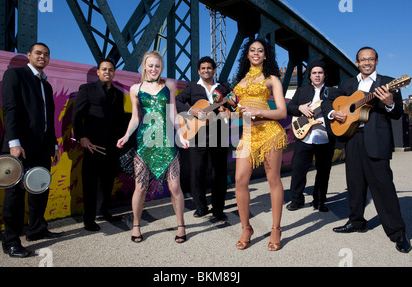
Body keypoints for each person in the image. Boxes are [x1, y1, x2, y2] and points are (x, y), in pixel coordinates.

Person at [330, 47, 412, 253]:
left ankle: (398, 232)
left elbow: (397, 114)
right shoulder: (348, 84)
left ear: (377, 61)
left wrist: (390, 103)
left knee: (383, 186)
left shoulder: (389, 82)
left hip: (377, 138)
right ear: (357, 62)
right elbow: (332, 103)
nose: (367, 63)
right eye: (362, 60)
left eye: (371, 59)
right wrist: (333, 113)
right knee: (355, 184)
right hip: (352, 138)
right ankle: (356, 221)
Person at [116, 51, 189, 243]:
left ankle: (181, 226)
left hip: (166, 143)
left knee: (175, 187)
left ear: (161, 67)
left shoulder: (169, 85)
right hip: (145, 143)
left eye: (157, 66)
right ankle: (136, 226)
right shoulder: (135, 89)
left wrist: (181, 135)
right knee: (140, 187)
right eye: (150, 66)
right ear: (144, 67)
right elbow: (135, 118)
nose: (153, 69)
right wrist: (126, 135)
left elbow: (172, 114)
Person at [0, 43, 62, 258]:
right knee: (15, 194)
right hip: (20, 146)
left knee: (39, 188)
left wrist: (54, 145)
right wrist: (14, 143)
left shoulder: (46, 85)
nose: (42, 57)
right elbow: (10, 109)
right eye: (38, 53)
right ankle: (10, 241)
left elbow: (48, 118)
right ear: (29, 55)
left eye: (46, 54)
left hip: (43, 146)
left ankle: (36, 229)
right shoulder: (15, 75)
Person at [232, 38, 287, 251]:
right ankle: (246, 228)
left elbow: (282, 112)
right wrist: (231, 112)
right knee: (239, 180)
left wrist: (259, 111)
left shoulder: (272, 78)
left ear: (265, 55)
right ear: (247, 54)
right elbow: (239, 110)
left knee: (273, 179)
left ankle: (276, 229)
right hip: (247, 134)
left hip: (269, 133)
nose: (256, 53)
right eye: (252, 50)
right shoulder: (240, 79)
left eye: (260, 51)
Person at [72, 59, 126, 231]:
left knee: (108, 180)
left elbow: (119, 120)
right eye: (104, 69)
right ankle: (88, 219)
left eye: (110, 70)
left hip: (112, 145)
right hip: (93, 145)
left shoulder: (118, 94)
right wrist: (82, 137)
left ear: (114, 72)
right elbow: (77, 115)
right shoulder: (87, 89)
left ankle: (103, 211)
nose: (107, 72)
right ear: (98, 72)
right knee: (90, 182)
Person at [175, 56, 231, 221]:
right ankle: (201, 207)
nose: (206, 71)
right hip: (196, 135)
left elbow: (232, 106)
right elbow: (177, 101)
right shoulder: (192, 87)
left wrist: (228, 111)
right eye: (203, 68)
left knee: (219, 174)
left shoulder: (224, 88)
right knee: (197, 172)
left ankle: (218, 209)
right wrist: (190, 110)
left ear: (214, 70)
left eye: (209, 68)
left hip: (219, 134)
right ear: (199, 71)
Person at [286, 60, 339, 212]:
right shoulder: (302, 91)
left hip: (325, 137)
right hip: (305, 136)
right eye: (314, 73)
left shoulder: (334, 92)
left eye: (320, 73)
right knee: (298, 170)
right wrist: (300, 108)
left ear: (325, 75)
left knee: (323, 172)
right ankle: (296, 200)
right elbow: (290, 108)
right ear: (310, 76)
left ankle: (320, 201)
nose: (317, 75)